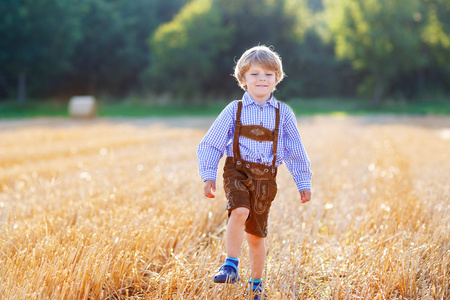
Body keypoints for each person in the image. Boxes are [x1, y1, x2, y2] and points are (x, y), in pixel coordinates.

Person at [197, 45, 312, 299]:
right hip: (236, 171)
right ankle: (230, 264)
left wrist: (303, 182)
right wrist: (208, 175)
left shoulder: (284, 115)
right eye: (255, 74)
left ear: (277, 79)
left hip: (266, 179)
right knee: (239, 211)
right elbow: (211, 143)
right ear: (243, 80)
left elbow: (295, 151)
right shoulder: (233, 110)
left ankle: (257, 284)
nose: (262, 79)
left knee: (256, 236)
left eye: (269, 74)